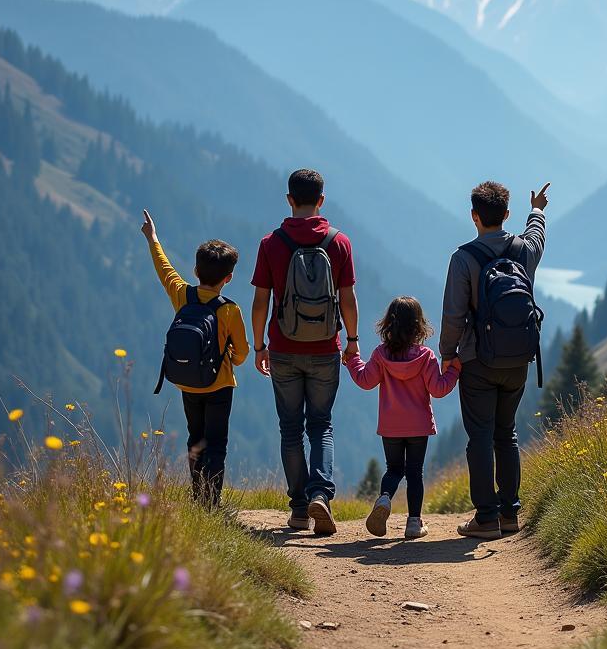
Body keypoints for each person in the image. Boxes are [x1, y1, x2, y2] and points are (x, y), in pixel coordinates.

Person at [440, 180, 549, 541]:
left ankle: (485, 517)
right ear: (506, 214)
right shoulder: (523, 251)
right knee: (507, 433)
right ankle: (510, 514)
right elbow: (537, 236)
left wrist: (448, 354)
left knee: (480, 437)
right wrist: (537, 210)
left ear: (473, 216)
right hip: (519, 358)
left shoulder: (463, 259)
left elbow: (454, 315)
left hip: (477, 360)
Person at [251, 169, 358, 535]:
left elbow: (260, 302)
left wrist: (259, 345)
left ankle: (298, 509)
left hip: (282, 347)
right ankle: (320, 496)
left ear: (289, 200)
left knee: (290, 428)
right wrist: (353, 341)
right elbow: (348, 299)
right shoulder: (339, 242)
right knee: (321, 425)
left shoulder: (271, 243)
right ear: (322, 200)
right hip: (326, 348)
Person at [140, 209, 249, 508]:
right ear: (228, 278)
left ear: (196, 271)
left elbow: (165, 270)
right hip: (220, 385)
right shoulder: (229, 310)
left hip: (187, 383)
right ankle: (210, 504)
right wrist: (232, 357)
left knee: (195, 440)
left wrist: (153, 239)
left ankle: (197, 495)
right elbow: (241, 354)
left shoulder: (182, 295)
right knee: (217, 445)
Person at [343, 297, 460, 540]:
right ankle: (414, 523)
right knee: (415, 472)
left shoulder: (381, 355)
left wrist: (352, 360)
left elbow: (365, 381)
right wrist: (454, 370)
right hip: (418, 426)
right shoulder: (426, 356)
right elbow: (438, 389)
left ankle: (384, 498)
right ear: (418, 326)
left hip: (390, 426)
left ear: (389, 324)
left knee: (394, 469)